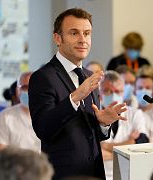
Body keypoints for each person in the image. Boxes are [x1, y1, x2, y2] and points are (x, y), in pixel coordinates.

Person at [28, 8, 127, 179]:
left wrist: (102, 123)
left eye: (87, 33)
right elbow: (43, 129)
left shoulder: (89, 76)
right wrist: (74, 98)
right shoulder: (43, 77)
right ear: (57, 38)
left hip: (94, 172)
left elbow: (89, 134)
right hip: (63, 174)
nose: (83, 39)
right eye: (74, 33)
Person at [99, 71, 149, 180]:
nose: (112, 95)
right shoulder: (93, 116)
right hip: (102, 175)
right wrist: (129, 144)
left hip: (130, 174)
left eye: (117, 91)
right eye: (107, 91)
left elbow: (143, 142)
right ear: (100, 92)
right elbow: (95, 154)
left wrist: (106, 146)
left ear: (123, 92)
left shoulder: (135, 114)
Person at [0, 72, 40, 152]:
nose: (29, 91)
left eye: (33, 87)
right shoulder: (5, 117)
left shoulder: (49, 114)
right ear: (17, 91)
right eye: (24, 88)